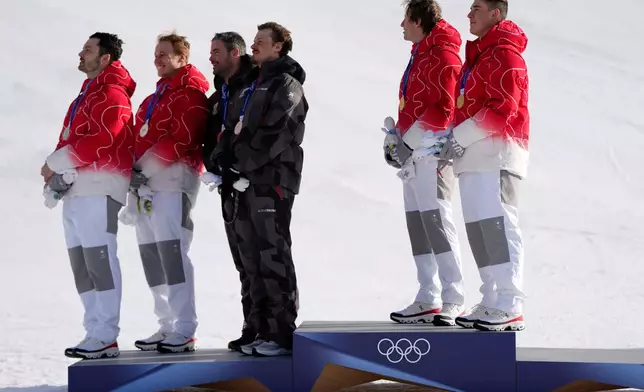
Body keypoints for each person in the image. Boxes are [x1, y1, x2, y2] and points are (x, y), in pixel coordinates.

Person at [212, 22, 307, 357]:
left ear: (279, 47)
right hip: (245, 182)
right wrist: (223, 160)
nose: (254, 46)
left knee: (273, 254)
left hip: (272, 182)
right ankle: (257, 328)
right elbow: (230, 130)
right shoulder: (251, 83)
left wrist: (243, 164)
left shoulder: (286, 84)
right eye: (253, 41)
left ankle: (281, 333)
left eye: (261, 41)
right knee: (250, 259)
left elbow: (279, 132)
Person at [41, 32, 137, 359]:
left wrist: (55, 163)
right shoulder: (87, 93)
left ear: (105, 58)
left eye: (88, 49)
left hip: (101, 187)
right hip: (77, 189)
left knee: (99, 259)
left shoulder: (113, 94)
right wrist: (54, 173)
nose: (81, 54)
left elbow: (102, 139)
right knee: (81, 264)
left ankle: (106, 333)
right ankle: (94, 330)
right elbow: (69, 136)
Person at [437, 0, 530, 332]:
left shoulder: (505, 53)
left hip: (498, 154)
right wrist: (449, 138)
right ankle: (492, 297)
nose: (469, 14)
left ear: (496, 13)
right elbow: (467, 108)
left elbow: (504, 108)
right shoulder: (479, 57)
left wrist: (459, 135)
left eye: (477, 8)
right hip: (474, 157)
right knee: (479, 230)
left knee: (499, 227)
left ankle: (510, 302)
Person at [121, 32, 210, 353]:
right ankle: (166, 325)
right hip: (145, 187)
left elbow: (181, 139)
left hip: (174, 183)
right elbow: (135, 136)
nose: (157, 59)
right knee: (151, 256)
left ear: (182, 58)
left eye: (164, 54)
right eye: (156, 54)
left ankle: (185, 327)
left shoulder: (191, 96)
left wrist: (142, 168)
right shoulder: (152, 98)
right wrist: (132, 171)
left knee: (172, 253)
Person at [384, 0, 466, 326]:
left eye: (406, 19)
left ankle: (453, 298)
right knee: (418, 227)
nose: (402, 26)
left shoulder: (444, 55)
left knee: (438, 224)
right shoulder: (421, 53)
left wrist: (408, 140)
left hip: (433, 156)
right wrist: (395, 139)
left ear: (419, 20)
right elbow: (414, 105)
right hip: (414, 157)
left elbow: (444, 109)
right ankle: (428, 296)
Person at [202, 31, 260, 353]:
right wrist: (213, 165)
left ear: (235, 53)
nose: (210, 57)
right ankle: (250, 325)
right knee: (242, 260)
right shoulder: (218, 96)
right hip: (227, 185)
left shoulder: (253, 86)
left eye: (216, 51)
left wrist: (239, 166)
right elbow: (208, 139)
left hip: (250, 182)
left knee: (259, 258)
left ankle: (268, 328)